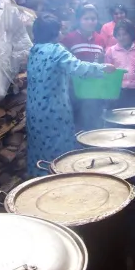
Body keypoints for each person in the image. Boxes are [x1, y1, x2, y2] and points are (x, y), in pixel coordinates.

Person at [26, 13, 115, 177]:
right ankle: (60, 180)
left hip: (34, 110)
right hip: (54, 110)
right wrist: (102, 68)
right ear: (53, 33)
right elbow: (78, 68)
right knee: (58, 149)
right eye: (60, 30)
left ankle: (37, 180)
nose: (62, 34)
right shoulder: (56, 50)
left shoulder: (34, 49)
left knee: (38, 148)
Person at [61, 3, 106, 131]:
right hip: (75, 91)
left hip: (96, 91)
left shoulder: (100, 39)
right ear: (79, 20)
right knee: (78, 126)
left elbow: (101, 61)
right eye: (86, 19)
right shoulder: (69, 39)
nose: (90, 22)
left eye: (93, 19)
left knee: (95, 125)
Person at [105, 19, 135, 108]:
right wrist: (109, 91)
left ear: (131, 34)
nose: (121, 38)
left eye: (125, 34)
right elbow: (107, 74)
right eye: (118, 35)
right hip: (117, 92)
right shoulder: (111, 52)